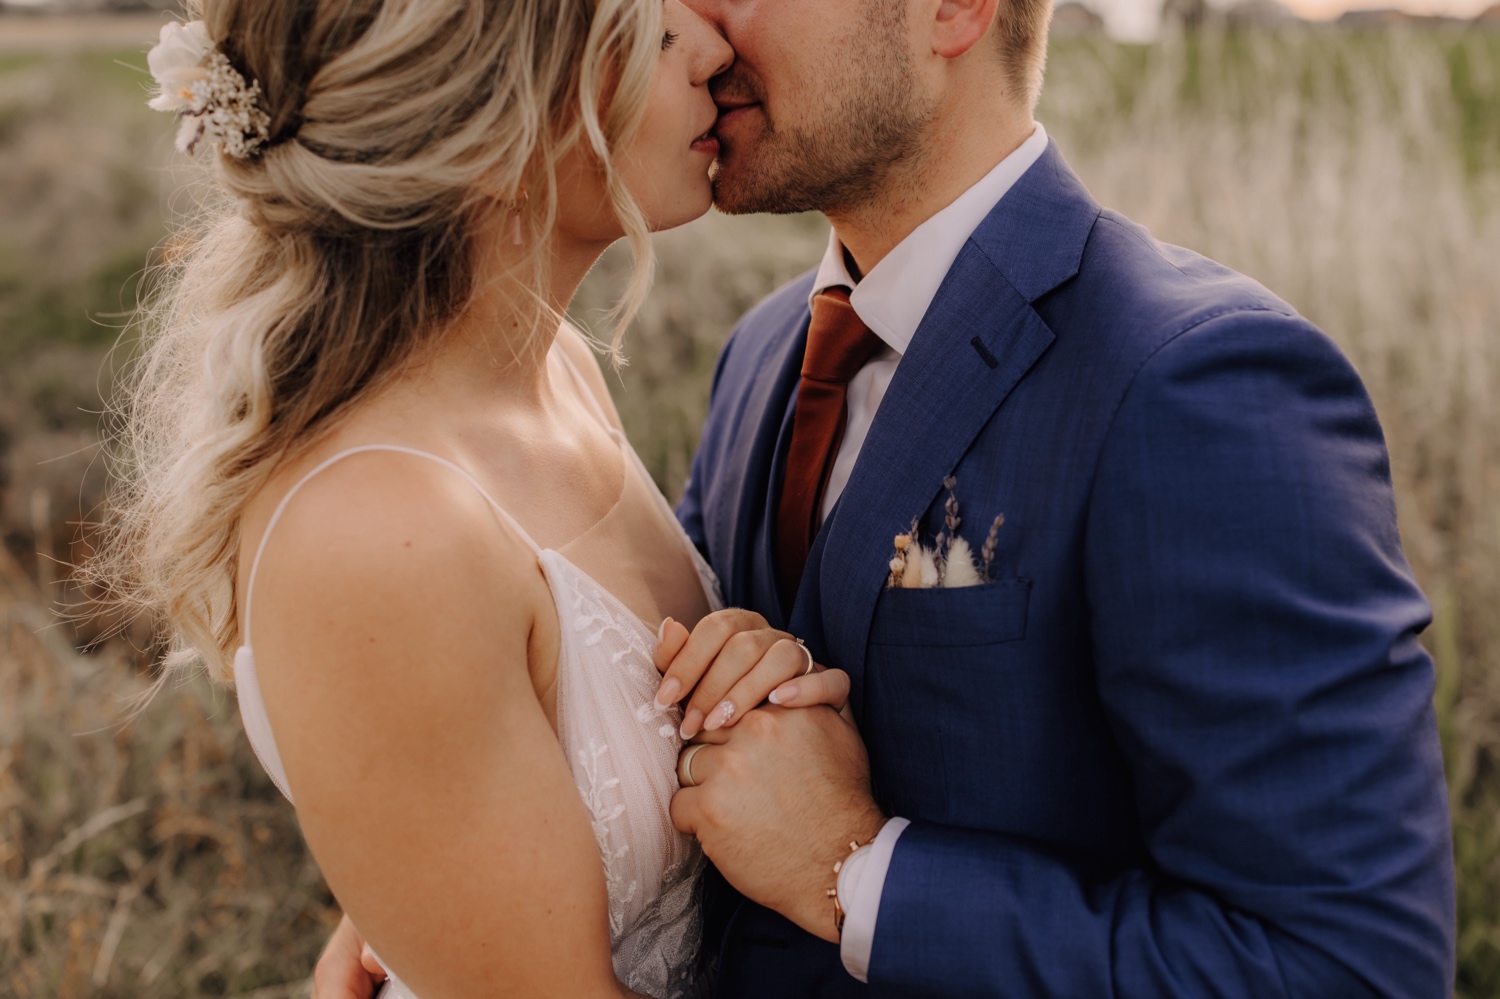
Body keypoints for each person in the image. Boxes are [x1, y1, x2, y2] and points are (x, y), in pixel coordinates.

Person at [321, 0, 1456, 995]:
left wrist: (855, 871)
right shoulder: (768, 352)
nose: (699, 31)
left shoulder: (1196, 384)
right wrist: (446, 886)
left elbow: (1352, 966)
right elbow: (627, 709)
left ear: (953, 8)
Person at [103, 2, 854, 997]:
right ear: (497, 118)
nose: (714, 48)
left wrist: (752, 675)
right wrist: (846, 875)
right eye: (655, 34)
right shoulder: (377, 534)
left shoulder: (556, 378)